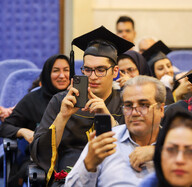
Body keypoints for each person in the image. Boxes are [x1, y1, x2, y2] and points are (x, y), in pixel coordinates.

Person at [30, 26, 134, 186]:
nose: (92, 77)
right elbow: (39, 152)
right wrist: (63, 116)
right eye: (87, 69)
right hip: (69, 178)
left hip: (114, 177)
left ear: (115, 72)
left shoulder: (126, 102)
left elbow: (134, 150)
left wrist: (107, 117)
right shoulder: (61, 101)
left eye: (100, 70)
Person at [64, 75, 166, 187]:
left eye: (143, 105)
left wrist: (159, 152)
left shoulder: (175, 143)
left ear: (160, 109)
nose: (135, 112)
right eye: (128, 105)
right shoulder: (104, 142)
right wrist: (88, 164)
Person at [0, 54, 74, 186]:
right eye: (56, 71)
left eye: (66, 70)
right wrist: (23, 131)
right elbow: (5, 127)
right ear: (46, 74)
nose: (62, 76)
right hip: (40, 159)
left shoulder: (79, 98)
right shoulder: (32, 99)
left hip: (73, 156)